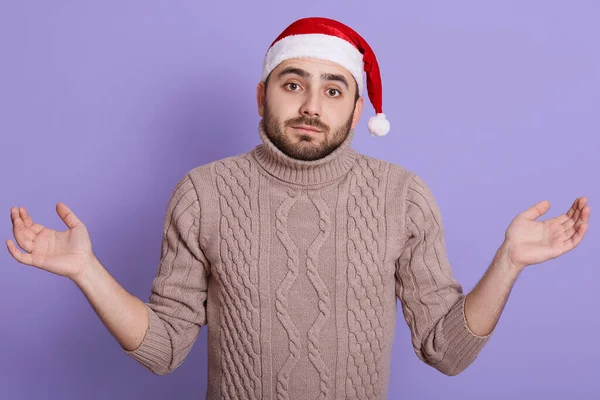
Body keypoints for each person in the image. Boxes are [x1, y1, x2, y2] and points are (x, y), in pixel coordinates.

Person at [6, 17, 591, 400]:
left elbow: (447, 351)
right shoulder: (203, 192)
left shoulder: (402, 196)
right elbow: (164, 351)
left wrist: (508, 262)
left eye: (333, 90)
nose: (312, 105)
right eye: (293, 84)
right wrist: (86, 270)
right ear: (262, 94)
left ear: (356, 110)